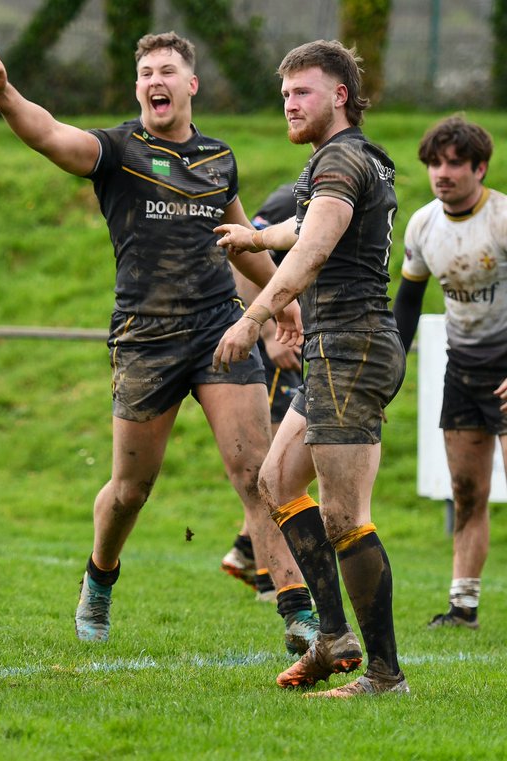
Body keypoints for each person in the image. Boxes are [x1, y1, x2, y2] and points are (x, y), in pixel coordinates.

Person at [0, 34, 310, 651]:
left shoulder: (218, 159)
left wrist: (279, 302)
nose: (156, 80)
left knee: (256, 474)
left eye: (168, 71)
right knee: (131, 491)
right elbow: (50, 134)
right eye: (146, 72)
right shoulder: (119, 149)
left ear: (191, 85)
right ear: (139, 89)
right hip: (145, 338)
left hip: (219, 331)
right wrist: (2, 93)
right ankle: (100, 576)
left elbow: (238, 240)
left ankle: (298, 612)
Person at [213, 40, 407, 697]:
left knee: (344, 514)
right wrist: (257, 237)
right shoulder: (347, 161)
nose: (289, 103)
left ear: (341, 96)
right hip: (338, 345)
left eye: (303, 91)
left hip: (352, 344)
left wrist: (255, 316)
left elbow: (316, 247)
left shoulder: (341, 157)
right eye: (285, 92)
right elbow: (308, 227)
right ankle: (331, 635)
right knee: (275, 479)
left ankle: (384, 674)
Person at [392, 115, 507, 631]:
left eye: (455, 163)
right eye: (435, 163)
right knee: (466, 493)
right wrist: (391, 364)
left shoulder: (502, 218)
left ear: (480, 168)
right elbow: (409, 301)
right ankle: (463, 608)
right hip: (462, 370)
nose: (443, 173)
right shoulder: (422, 224)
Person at [221, 184, 307, 601]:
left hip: (299, 337)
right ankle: (266, 576)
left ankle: (243, 553)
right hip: (274, 342)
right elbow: (241, 258)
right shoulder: (290, 197)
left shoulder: (341, 186)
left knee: (283, 461)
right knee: (274, 461)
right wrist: (271, 331)